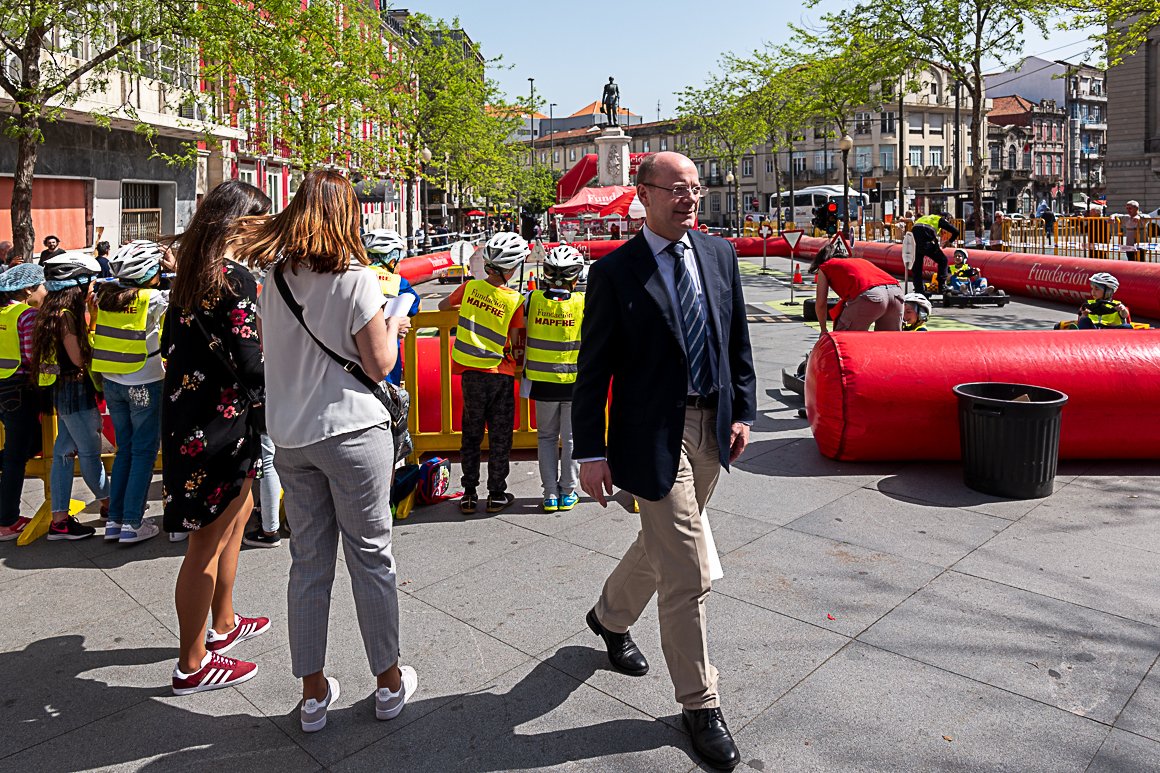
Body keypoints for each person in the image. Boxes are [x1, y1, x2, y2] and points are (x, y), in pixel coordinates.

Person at [572, 151, 756, 771]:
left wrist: (742, 411)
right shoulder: (614, 272)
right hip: (652, 436)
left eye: (695, 188)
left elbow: (736, 339)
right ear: (643, 195)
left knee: (663, 542)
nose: (689, 198)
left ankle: (609, 616)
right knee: (687, 570)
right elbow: (593, 368)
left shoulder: (718, 255)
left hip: (712, 427)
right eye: (676, 188)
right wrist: (591, 452)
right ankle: (700, 704)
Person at [235, 170, 416, 733]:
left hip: (291, 435)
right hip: (352, 432)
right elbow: (379, 364)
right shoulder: (357, 279)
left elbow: (272, 349)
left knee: (309, 563)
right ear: (347, 215)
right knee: (371, 556)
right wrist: (395, 321)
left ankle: (313, 694)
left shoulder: (274, 278)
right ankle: (387, 682)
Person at [161, 181, 271, 695]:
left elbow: (170, 346)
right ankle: (192, 664)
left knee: (236, 519)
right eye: (260, 220)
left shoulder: (190, 274)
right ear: (240, 223)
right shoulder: (235, 278)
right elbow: (251, 361)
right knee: (206, 543)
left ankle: (223, 622)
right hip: (221, 426)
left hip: (192, 418)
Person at [437, 232, 528, 515]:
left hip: (469, 372)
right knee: (500, 436)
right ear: (511, 270)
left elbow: (442, 306)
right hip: (499, 373)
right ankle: (496, 494)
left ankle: (468, 494)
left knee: (471, 433)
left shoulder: (470, 287)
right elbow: (517, 338)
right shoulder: (514, 299)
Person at [92, 240, 169, 544]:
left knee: (125, 449)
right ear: (149, 272)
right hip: (144, 383)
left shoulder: (104, 295)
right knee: (144, 451)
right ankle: (133, 523)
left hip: (112, 382)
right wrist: (176, 266)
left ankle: (115, 520)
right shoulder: (154, 298)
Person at [31, 253, 109, 540]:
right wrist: (94, 324)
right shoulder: (67, 317)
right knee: (89, 453)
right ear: (77, 285)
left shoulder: (50, 312)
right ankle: (111, 503)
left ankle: (60, 520)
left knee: (63, 453)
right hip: (76, 391)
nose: (93, 289)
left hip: (61, 390)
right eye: (91, 283)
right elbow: (78, 359)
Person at [524, 245, 585, 513]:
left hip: (541, 382)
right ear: (576, 277)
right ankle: (568, 492)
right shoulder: (583, 302)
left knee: (546, 438)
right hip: (573, 382)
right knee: (571, 439)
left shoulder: (532, 300)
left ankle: (550, 494)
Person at [0, 265, 46, 541]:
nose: (45, 291)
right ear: (29, 290)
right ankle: (7, 522)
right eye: (42, 286)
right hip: (18, 388)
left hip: (2, 386)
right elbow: (32, 356)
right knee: (16, 457)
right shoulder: (27, 315)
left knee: (17, 451)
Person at [361, 229, 421, 387]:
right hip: (386, 355)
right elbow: (416, 306)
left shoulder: (356, 278)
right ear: (392, 261)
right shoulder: (398, 283)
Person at [811, 242, 904, 333]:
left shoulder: (826, 266)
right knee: (889, 339)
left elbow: (821, 303)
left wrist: (823, 329)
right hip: (896, 293)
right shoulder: (860, 261)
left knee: (843, 338)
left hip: (871, 295)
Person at [911, 211, 957, 293]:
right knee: (943, 261)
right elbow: (956, 232)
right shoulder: (939, 219)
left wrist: (936, 244)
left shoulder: (924, 218)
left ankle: (918, 289)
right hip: (926, 242)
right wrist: (949, 241)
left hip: (915, 242)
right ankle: (942, 286)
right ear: (945, 218)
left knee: (917, 266)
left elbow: (923, 231)